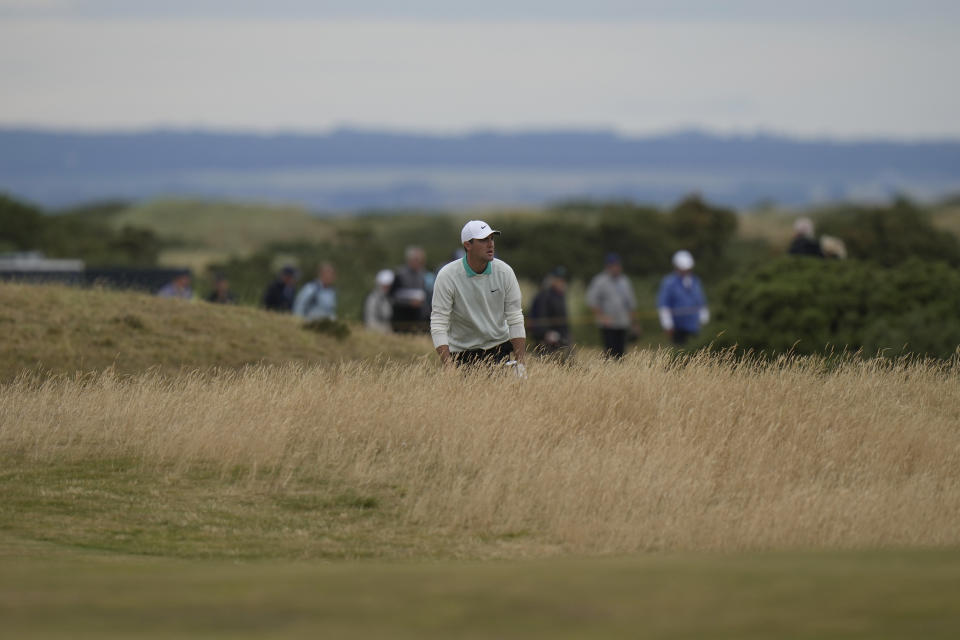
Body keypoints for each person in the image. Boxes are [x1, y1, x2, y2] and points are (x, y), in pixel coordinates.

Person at [430, 220, 526, 370]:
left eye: (492, 239)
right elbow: (438, 322)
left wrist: (521, 364)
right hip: (461, 356)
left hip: (500, 351)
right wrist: (448, 367)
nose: (490, 244)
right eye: (483, 240)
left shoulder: (505, 272)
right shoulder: (447, 276)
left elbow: (515, 317)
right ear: (467, 245)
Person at [586, 253, 638, 359]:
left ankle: (619, 373)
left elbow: (631, 304)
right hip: (608, 324)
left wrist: (634, 322)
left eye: (618, 265)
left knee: (621, 353)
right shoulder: (600, 281)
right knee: (609, 352)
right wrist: (602, 317)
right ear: (608, 267)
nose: (616, 268)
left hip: (623, 322)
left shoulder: (624, 281)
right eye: (613, 265)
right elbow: (591, 301)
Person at [657, 250, 709, 346]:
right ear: (676, 267)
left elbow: (701, 301)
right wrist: (667, 325)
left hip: (695, 327)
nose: (686, 271)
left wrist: (704, 320)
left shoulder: (695, 281)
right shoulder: (669, 283)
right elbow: (664, 305)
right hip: (677, 328)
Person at [390, 246, 434, 334]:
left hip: (420, 317)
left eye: (420, 260)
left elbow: (429, 295)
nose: (418, 263)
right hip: (402, 317)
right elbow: (392, 296)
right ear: (409, 260)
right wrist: (409, 302)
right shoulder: (400, 275)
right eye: (416, 259)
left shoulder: (425, 275)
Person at [528, 266, 570, 356]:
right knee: (546, 360)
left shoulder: (560, 295)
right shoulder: (544, 295)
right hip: (546, 337)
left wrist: (565, 333)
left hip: (560, 335)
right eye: (558, 280)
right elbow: (541, 316)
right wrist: (546, 333)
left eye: (562, 280)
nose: (561, 282)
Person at [364, 269, 395, 334]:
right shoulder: (373, 298)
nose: (387, 287)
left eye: (388, 285)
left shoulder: (388, 298)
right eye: (385, 285)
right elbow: (370, 320)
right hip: (376, 332)